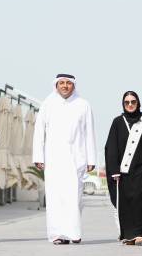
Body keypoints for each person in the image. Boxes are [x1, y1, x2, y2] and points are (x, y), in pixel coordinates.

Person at [33, 74, 96, 245]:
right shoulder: (48, 104)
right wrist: (38, 156)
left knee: (74, 197)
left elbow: (89, 132)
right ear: (56, 85)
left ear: (73, 86)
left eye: (68, 83)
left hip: (77, 157)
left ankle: (73, 233)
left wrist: (91, 158)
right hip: (53, 158)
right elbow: (39, 131)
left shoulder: (83, 104)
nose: (65, 86)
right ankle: (57, 235)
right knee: (55, 198)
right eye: (62, 83)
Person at [105, 91, 142, 246]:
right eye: (127, 102)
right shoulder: (117, 122)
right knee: (127, 203)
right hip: (123, 172)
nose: (130, 105)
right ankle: (128, 235)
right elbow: (111, 147)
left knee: (141, 201)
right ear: (123, 104)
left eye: (133, 102)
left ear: (138, 103)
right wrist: (114, 170)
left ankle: (140, 234)